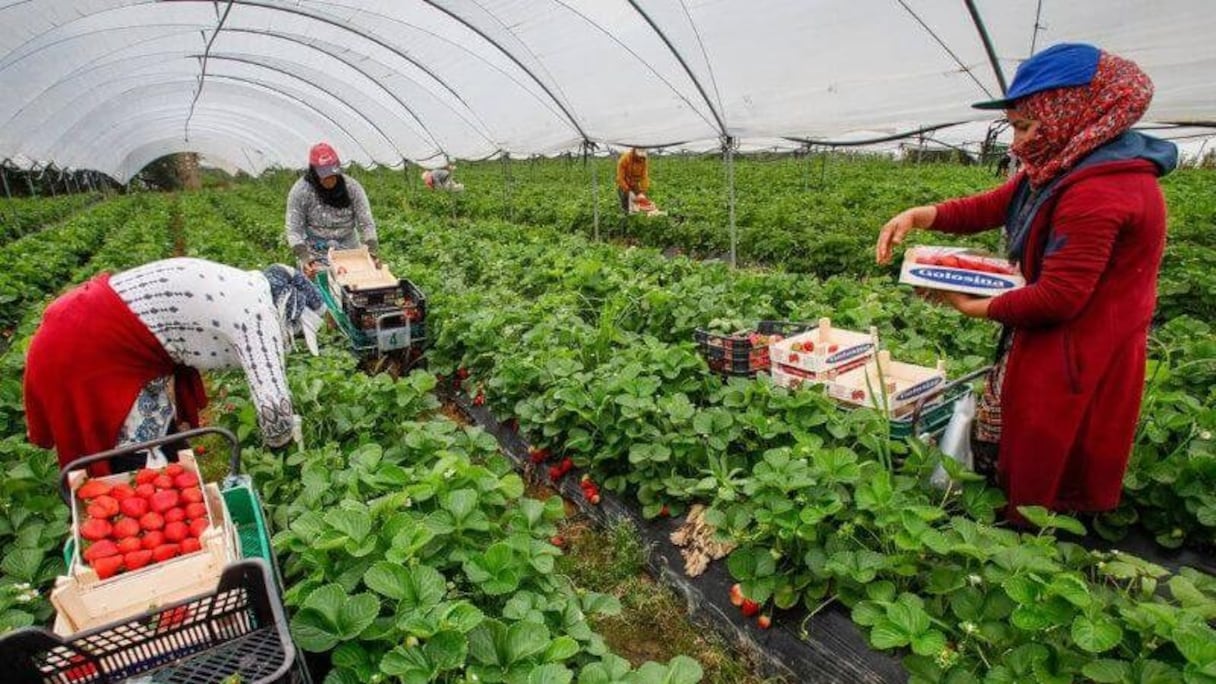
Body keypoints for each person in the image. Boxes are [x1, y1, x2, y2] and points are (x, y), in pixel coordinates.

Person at [875, 43, 1177, 521]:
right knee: (1021, 432)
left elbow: (1058, 298)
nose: (1016, 143)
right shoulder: (1066, 164)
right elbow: (998, 202)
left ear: (1071, 113)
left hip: (1080, 347)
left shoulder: (1101, 190)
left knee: (1049, 447)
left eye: (1024, 126)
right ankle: (1012, 513)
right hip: (1051, 336)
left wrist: (971, 305)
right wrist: (922, 215)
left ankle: (1029, 542)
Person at [23, 258, 327, 472]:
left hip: (89, 323)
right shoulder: (258, 316)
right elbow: (273, 407)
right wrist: (289, 454)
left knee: (158, 425)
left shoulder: (247, 285)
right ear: (288, 311)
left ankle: (168, 483)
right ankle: (142, 506)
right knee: (136, 447)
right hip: (85, 344)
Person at [286, 142, 379, 278]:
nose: (330, 179)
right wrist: (304, 257)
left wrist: (371, 250)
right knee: (320, 289)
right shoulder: (301, 191)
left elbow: (366, 223)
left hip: (349, 252)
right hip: (316, 253)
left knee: (354, 286)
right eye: (325, 175)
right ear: (314, 173)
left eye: (333, 174)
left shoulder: (352, 188)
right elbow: (294, 230)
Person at [616, 147, 649, 214]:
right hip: (624, 184)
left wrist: (643, 191)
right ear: (635, 153)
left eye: (642, 157)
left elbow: (644, 177)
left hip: (634, 184)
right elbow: (620, 178)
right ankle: (625, 216)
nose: (641, 159)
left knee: (637, 205)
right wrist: (628, 191)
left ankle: (635, 216)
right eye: (640, 157)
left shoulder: (643, 160)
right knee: (626, 205)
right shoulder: (624, 159)